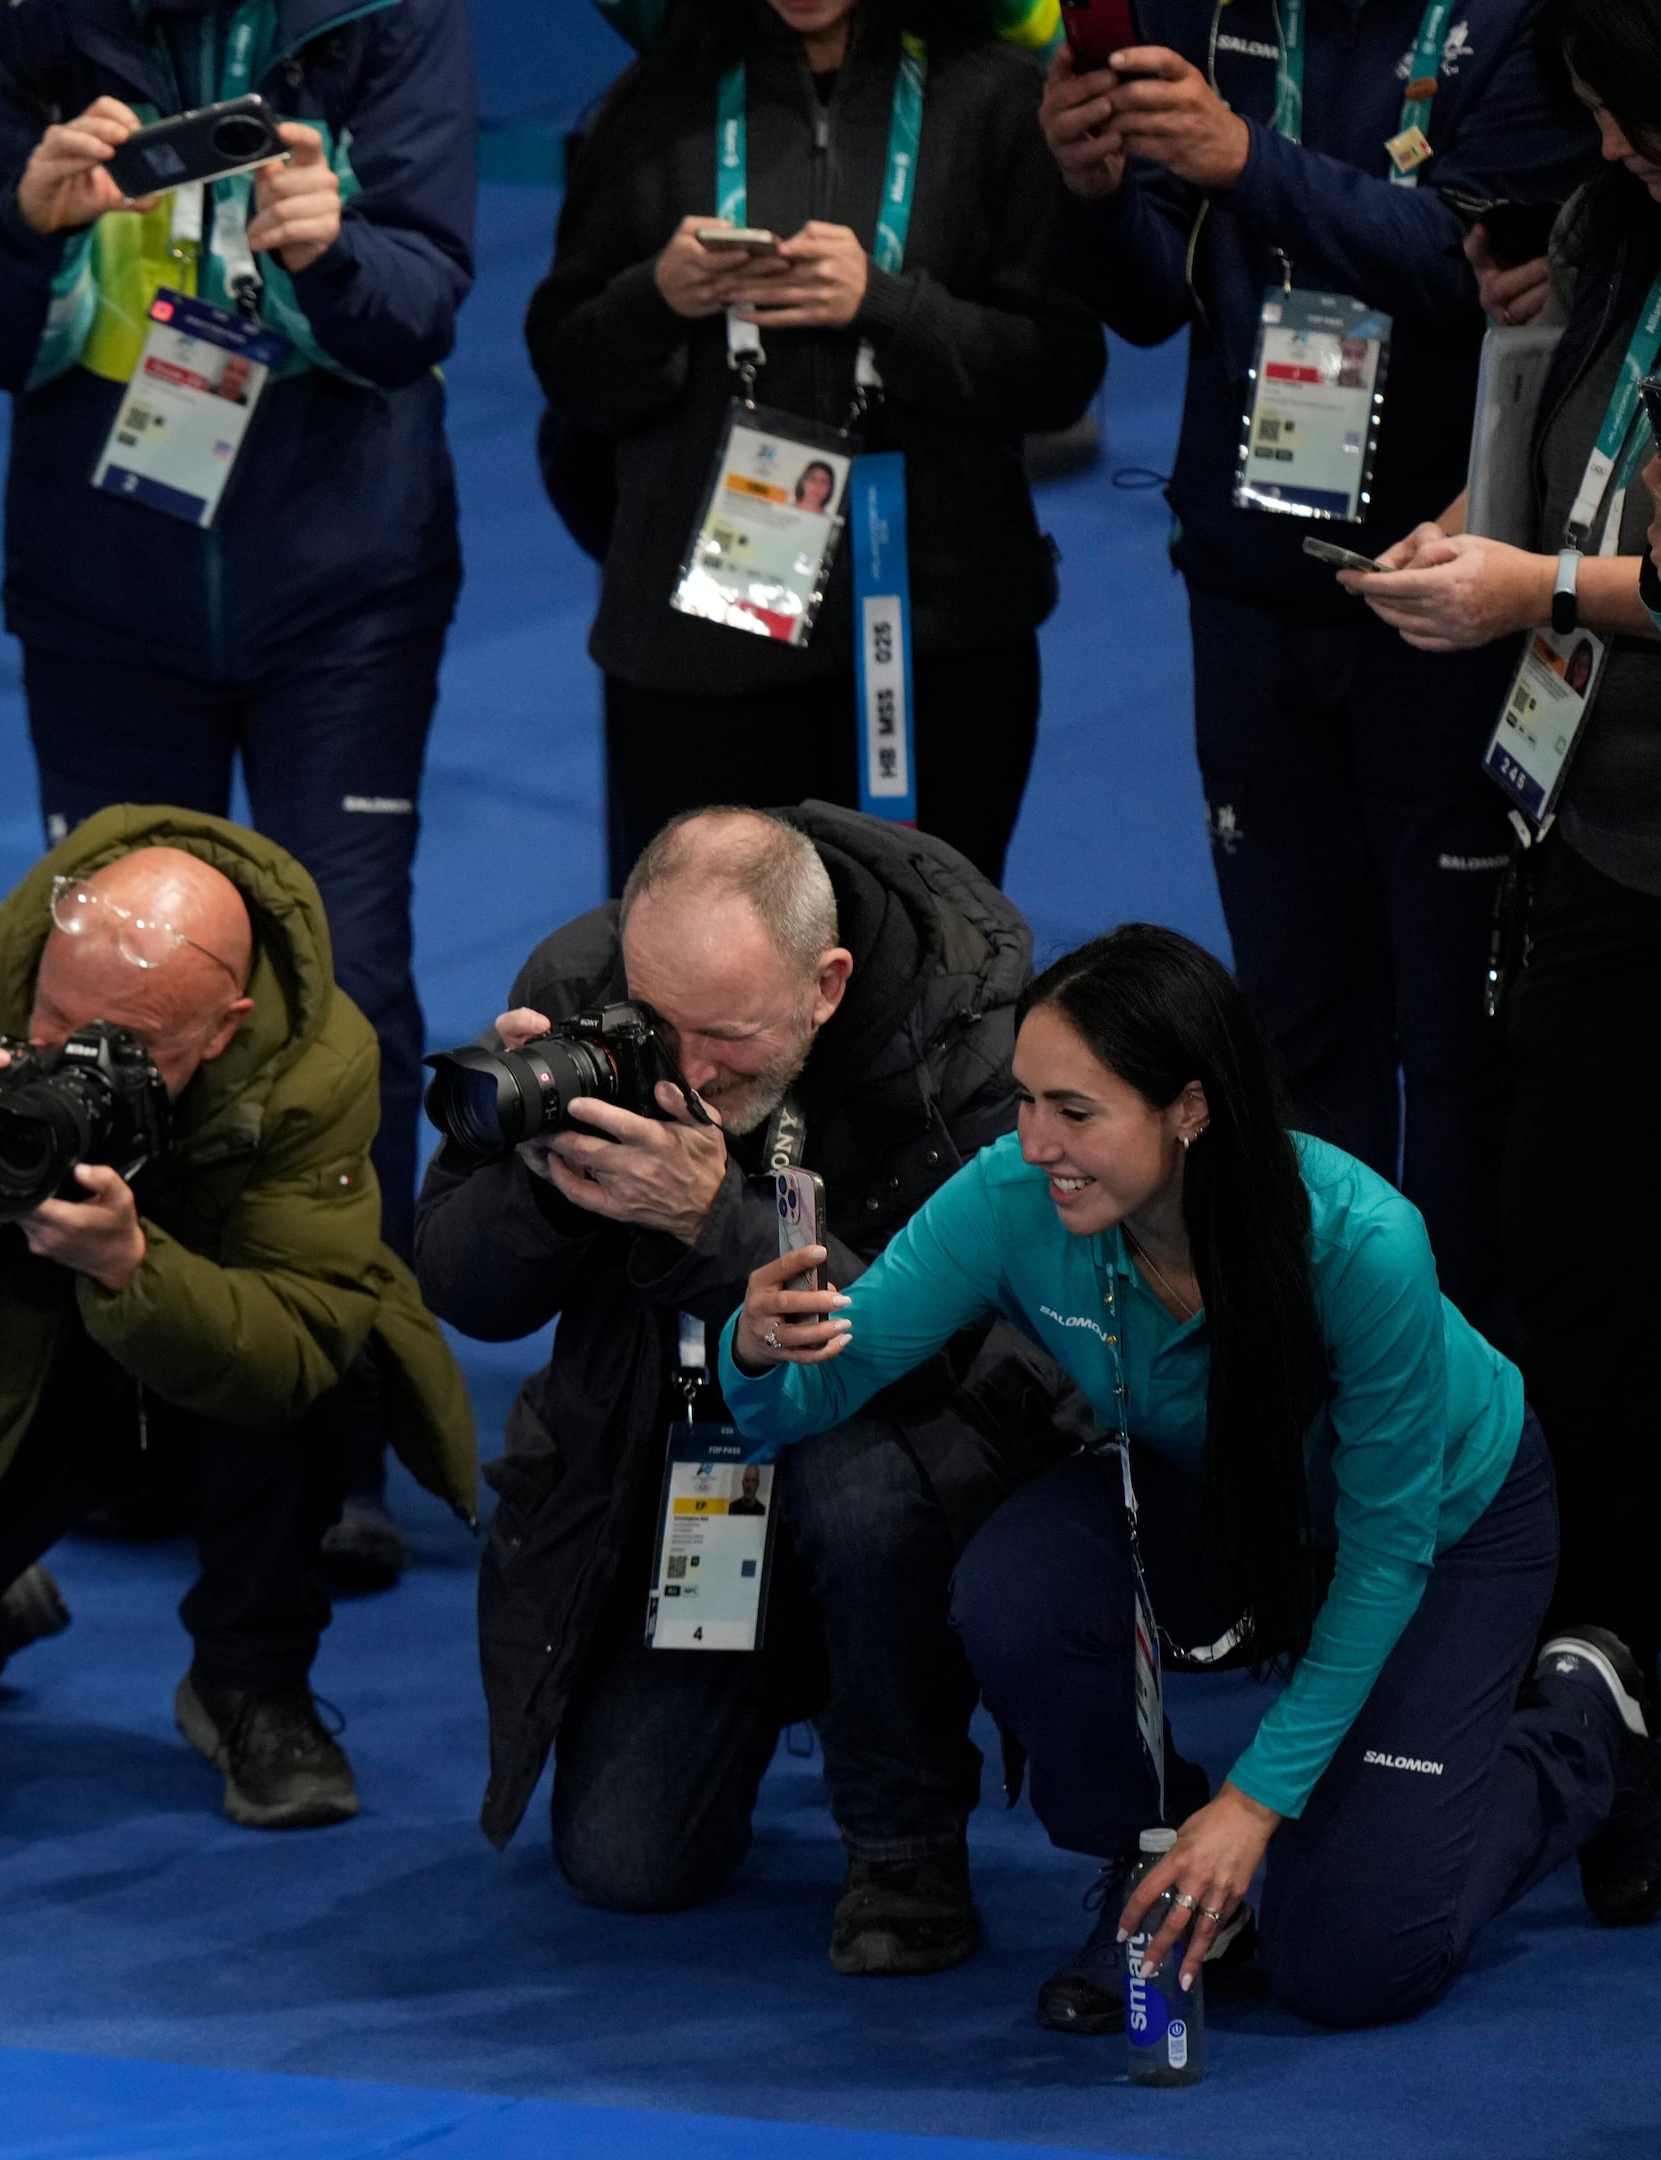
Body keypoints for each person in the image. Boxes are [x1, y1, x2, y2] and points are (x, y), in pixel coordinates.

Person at [734, 925, 1657, 2032]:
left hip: (1444, 1536)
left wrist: (1256, 1801)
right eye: (1026, 1100)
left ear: (1190, 1108)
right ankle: (1159, 1867)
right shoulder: (1008, 1200)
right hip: (1215, 1501)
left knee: (1350, 1965)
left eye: (1075, 1112)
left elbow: (1384, 1557)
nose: (1034, 1144)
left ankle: (1579, 1727)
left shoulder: (1363, 1243)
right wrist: (754, 1350)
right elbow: (817, 1396)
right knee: (1016, 1591)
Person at [0, 813, 477, 1829]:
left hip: (210, 1384)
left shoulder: (318, 1061)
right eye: (54, 1023)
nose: (72, 1063)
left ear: (224, 1027)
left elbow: (296, 1342)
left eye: (132, 1045)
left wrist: (132, 1269)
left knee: (345, 1348)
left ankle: (250, 1682)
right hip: (7, 1380)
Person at [422, 806, 1061, 1975]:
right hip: (674, 1462)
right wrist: (552, 1185)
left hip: (893, 1455)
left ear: (827, 986)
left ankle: (905, 1831)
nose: (690, 1076)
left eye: (726, 1037)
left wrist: (710, 1220)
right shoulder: (580, 984)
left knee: (860, 1489)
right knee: (628, 1866)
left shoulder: (977, 1035)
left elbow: (994, 1359)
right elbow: (464, 1287)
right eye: (658, 1028)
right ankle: (788, 1670)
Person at [1038, 0, 1591, 1335]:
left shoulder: (1516, 25)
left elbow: (1472, 268)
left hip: (1441, 598)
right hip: (1242, 598)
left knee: (1457, 1050)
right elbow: (1143, 304)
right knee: (1293, 1030)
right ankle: (1320, 1357)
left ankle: (1462, 1388)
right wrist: (1094, 187)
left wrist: (1249, 161)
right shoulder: (1210, 11)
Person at [0, 0, 473, 1268]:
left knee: (352, 997)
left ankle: (340, 1372)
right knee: (102, 1006)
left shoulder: (389, 15)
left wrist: (331, 256)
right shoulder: (19, 18)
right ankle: (134, 1374)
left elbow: (422, 307)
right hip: (100, 604)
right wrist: (28, 230)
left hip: (345, 596)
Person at [1336, 0, 1661, 1924]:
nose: (1612, 157)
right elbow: (1580, 454)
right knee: (1571, 1261)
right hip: (1590, 832)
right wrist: (1485, 529)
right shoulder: (1616, 229)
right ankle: (1595, 1664)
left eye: (1629, 123)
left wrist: (1536, 590)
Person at [530, 0, 1102, 891]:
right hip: (699, 656)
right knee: (703, 993)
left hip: (935, 643)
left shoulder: (990, 101)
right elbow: (567, 370)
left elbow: (1059, 371)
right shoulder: (655, 106)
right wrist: (655, 297)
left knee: (931, 985)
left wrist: (888, 306)